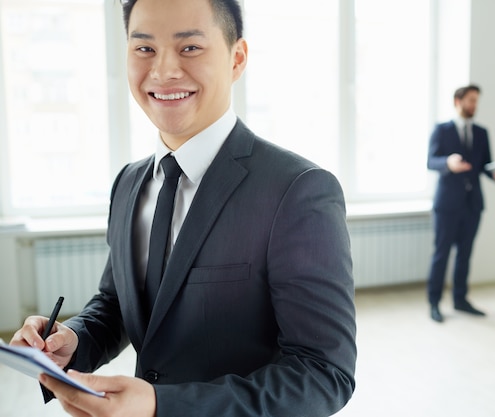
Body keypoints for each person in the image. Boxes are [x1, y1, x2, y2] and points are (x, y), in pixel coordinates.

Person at [10, 0, 357, 416]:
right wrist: (74, 340)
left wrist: (163, 406)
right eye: (144, 49)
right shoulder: (128, 182)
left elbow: (323, 373)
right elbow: (119, 303)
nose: (163, 71)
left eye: (189, 48)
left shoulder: (298, 190)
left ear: (237, 58)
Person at [426, 85, 495, 323]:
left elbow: (484, 165)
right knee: (441, 254)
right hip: (447, 205)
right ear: (458, 101)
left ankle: (461, 300)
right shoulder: (441, 130)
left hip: (473, 205)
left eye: (476, 101)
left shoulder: (482, 132)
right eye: (471, 100)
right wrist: (448, 163)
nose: (474, 105)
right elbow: (430, 161)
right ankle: (434, 303)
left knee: (465, 255)